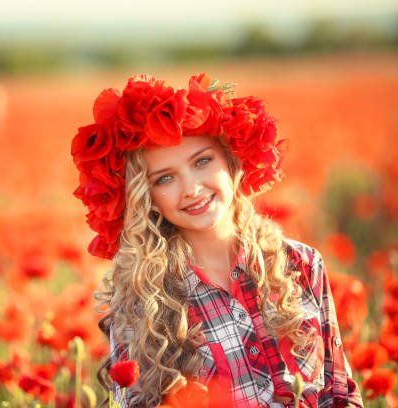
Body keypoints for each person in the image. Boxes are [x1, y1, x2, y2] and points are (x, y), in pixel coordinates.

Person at [71, 74, 364, 408]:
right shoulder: (141, 304)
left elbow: (341, 392)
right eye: (165, 178)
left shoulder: (301, 264)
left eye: (202, 161)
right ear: (146, 196)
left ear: (232, 159)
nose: (191, 188)